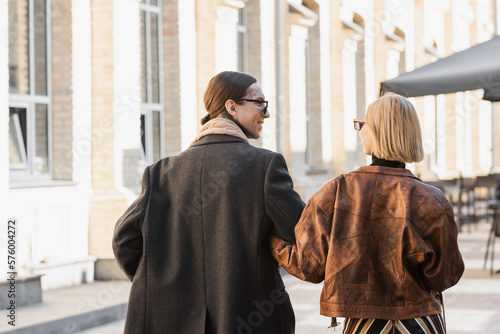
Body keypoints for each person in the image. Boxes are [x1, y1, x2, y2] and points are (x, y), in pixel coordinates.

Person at [113, 71, 305, 333]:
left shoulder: (160, 173)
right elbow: (302, 231)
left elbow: (124, 240)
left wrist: (159, 282)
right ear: (231, 107)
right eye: (260, 103)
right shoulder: (265, 166)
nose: (266, 113)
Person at [270, 93, 465, 334]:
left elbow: (308, 266)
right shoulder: (432, 199)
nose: (360, 131)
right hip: (420, 322)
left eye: (362, 125)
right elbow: (445, 276)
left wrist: (271, 240)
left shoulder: (336, 191)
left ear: (377, 132)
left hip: (364, 324)